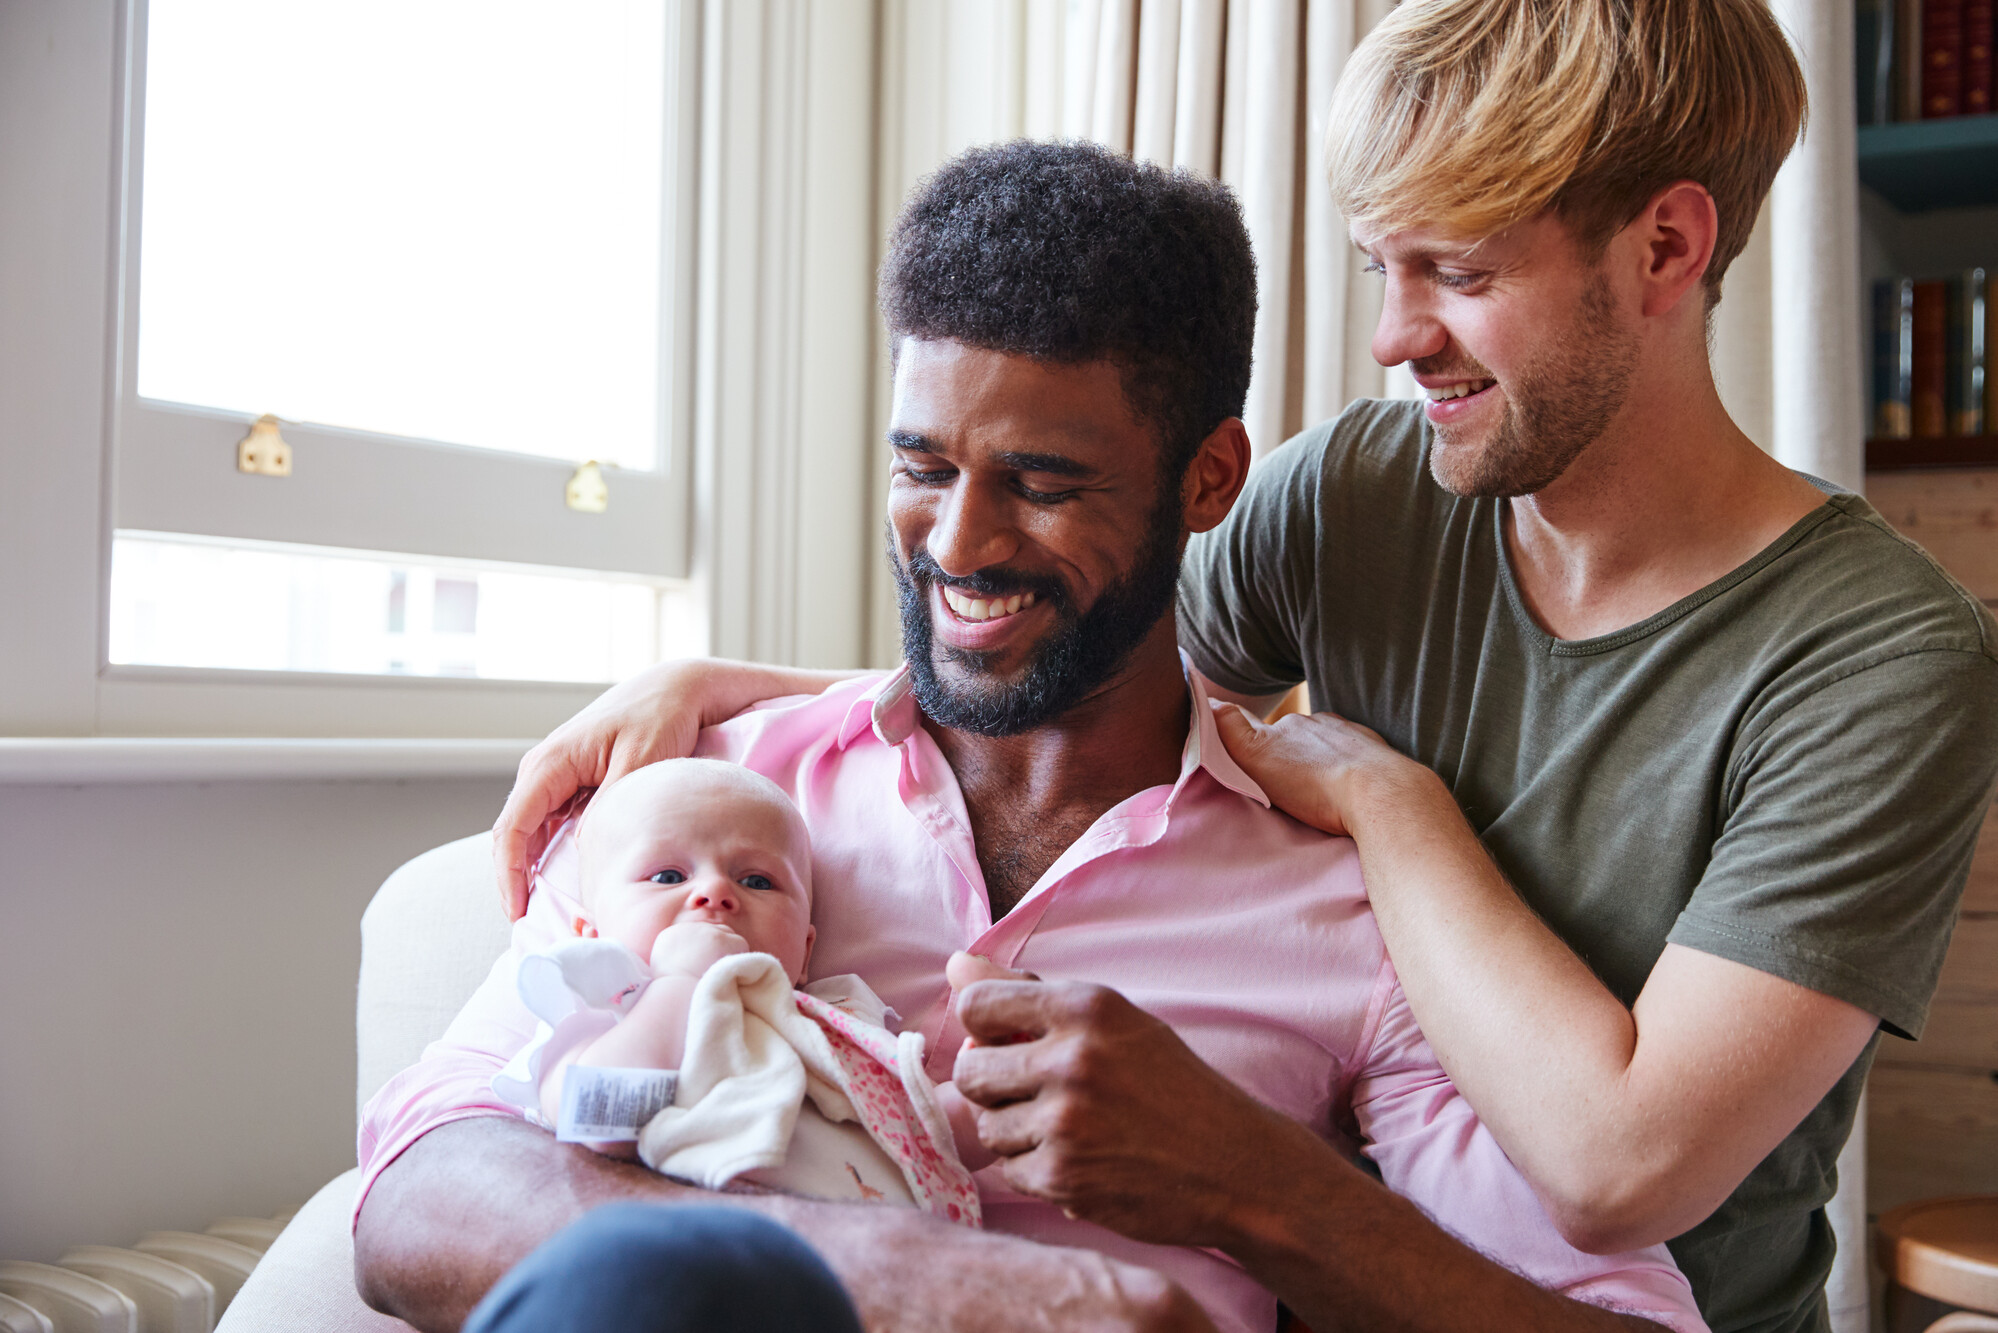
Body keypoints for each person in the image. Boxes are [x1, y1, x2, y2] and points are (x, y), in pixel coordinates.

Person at [490, 5, 1998, 1332]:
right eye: (1377, 266)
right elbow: (1075, 637)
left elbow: (1620, 1170)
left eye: (1457, 270)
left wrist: (1387, 804)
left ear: (1665, 246)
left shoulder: (1878, 662)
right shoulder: (1365, 489)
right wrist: (732, 686)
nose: (1395, 337)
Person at [358, 140, 1710, 1333]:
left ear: (1208, 480)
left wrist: (1258, 1190)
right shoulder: (712, 796)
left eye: (1042, 485)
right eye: (921, 467)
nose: (957, 545)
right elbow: (419, 1190)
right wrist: (918, 1282)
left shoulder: (1347, 907)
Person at [491, 757, 980, 1214]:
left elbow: (910, 1127)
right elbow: (602, 1124)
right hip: (699, 1253)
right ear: (592, 935)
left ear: (804, 954)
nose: (716, 893)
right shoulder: (602, 1011)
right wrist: (680, 982)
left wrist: (979, 1103)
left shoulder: (835, 1018)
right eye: (667, 876)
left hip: (877, 1267)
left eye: (758, 882)